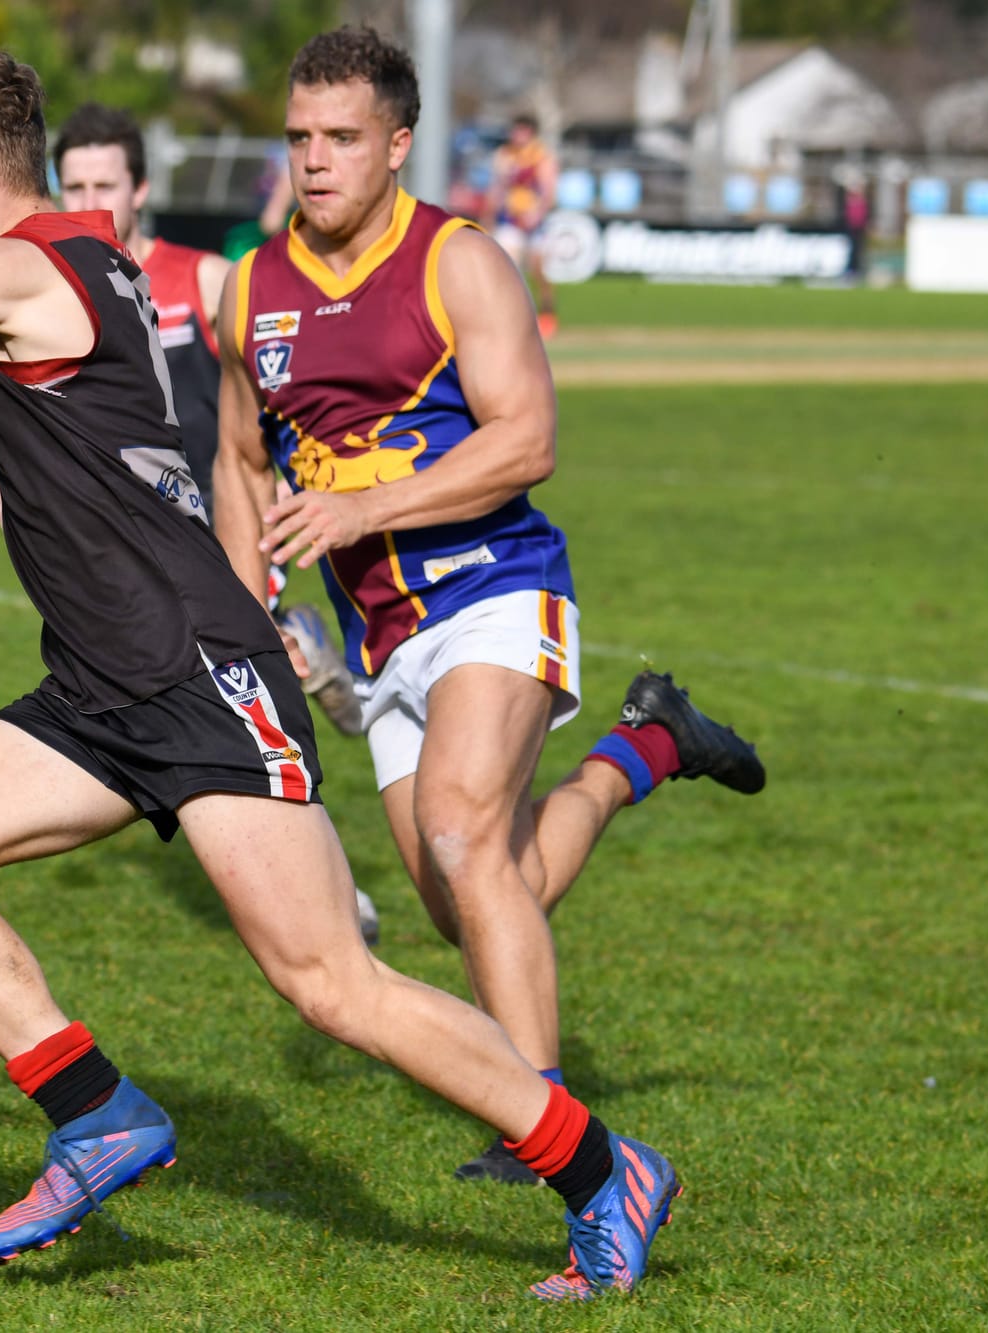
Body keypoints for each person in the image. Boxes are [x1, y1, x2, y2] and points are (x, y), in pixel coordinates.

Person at [0, 37, 682, 1302]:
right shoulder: (65, 269)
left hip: (194, 676)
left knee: (330, 984)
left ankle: (599, 1169)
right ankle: (96, 1116)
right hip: (95, 685)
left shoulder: (30, 264)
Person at [212, 27, 764, 1207]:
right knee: (473, 887)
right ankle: (644, 746)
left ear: (397, 143)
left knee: (465, 836)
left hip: (496, 584)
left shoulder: (458, 262)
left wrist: (365, 504)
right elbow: (234, 457)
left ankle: (547, 1125)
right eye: (299, 138)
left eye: (341, 139)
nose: (314, 161)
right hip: (382, 632)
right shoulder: (249, 288)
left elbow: (528, 441)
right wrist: (235, 600)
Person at [50, 102, 366, 749]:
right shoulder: (53, 293)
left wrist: (291, 472)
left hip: (224, 521)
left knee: (226, 710)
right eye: (75, 187)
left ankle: (302, 674)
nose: (88, 201)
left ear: (139, 189)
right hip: (125, 540)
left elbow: (293, 377)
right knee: (199, 709)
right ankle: (296, 643)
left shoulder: (203, 280)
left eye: (103, 186)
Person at [482, 114, 559, 339]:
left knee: (538, 270)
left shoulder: (541, 156)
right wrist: (488, 216)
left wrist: (537, 214)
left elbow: (549, 192)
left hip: (536, 221)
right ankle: (514, 319)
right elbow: (497, 188)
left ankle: (547, 313)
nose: (517, 136)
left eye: (522, 131)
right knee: (510, 267)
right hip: (511, 219)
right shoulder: (505, 156)